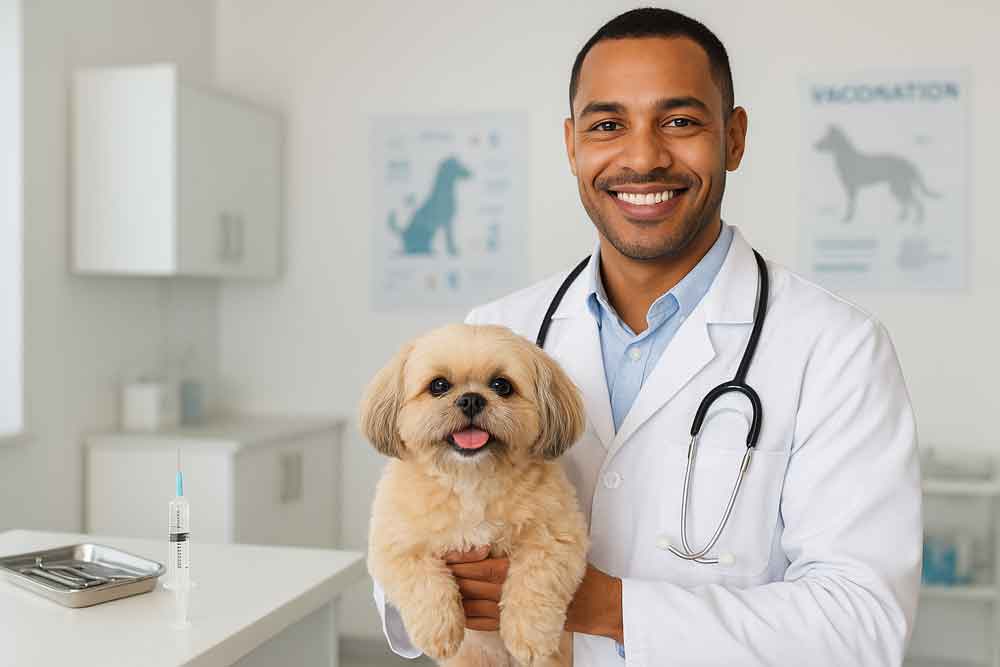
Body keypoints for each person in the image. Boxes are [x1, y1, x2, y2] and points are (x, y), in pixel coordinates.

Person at [373, 7, 921, 666]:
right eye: (608, 125)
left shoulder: (837, 347)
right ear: (573, 144)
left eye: (681, 122)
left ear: (735, 138)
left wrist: (604, 605)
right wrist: (433, 591)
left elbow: (862, 624)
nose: (642, 156)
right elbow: (409, 528)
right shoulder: (498, 330)